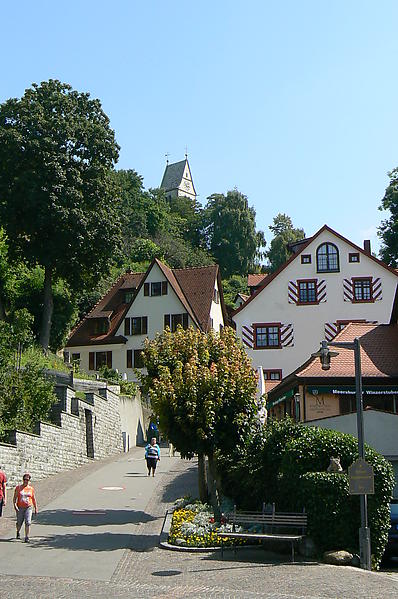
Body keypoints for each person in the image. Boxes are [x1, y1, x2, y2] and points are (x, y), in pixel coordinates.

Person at [13, 473, 38, 542]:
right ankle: (18, 531)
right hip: (20, 507)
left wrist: (36, 508)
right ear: (23, 480)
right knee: (19, 522)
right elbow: (15, 497)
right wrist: (15, 505)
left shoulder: (31, 489)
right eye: (24, 479)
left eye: (27, 480)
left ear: (29, 480)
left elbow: (33, 498)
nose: (25, 481)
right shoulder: (18, 488)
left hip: (28, 507)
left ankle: (27, 537)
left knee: (28, 522)